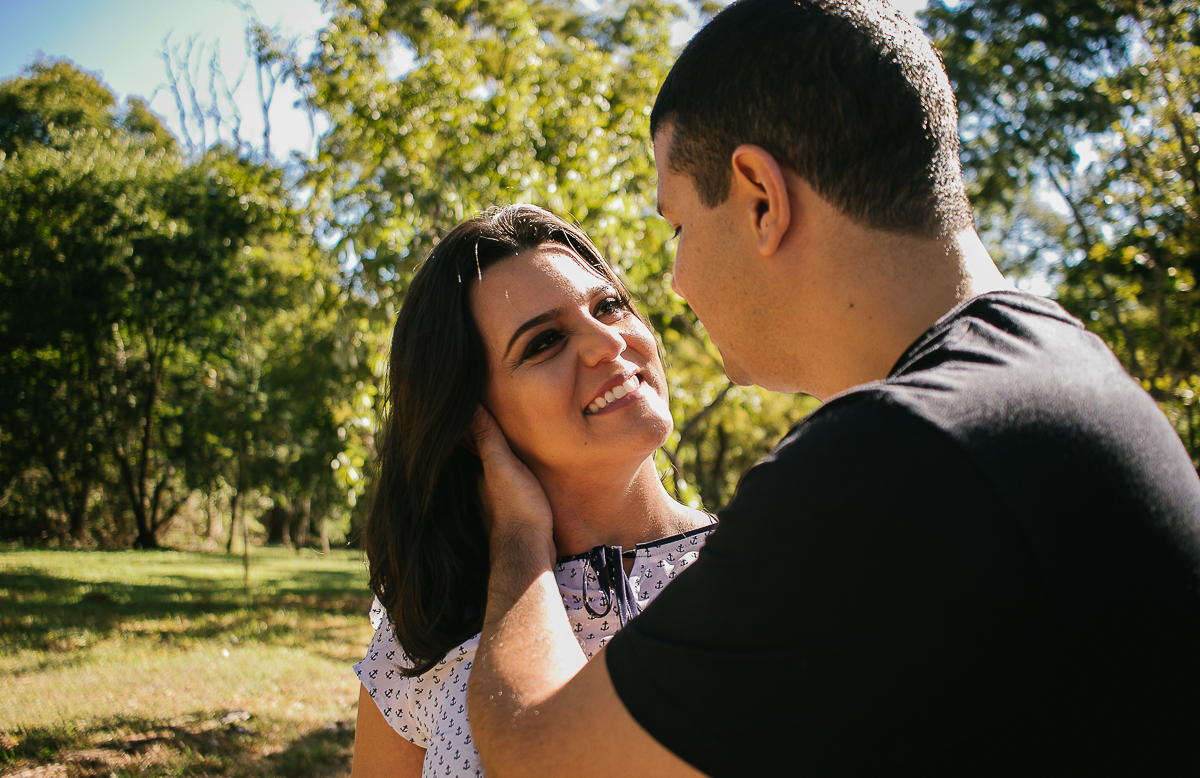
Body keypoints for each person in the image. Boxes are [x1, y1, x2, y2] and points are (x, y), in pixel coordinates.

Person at [465, 0, 1200, 775]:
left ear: (760, 198)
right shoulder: (1054, 371)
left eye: (679, 226)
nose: (675, 282)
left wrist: (517, 530)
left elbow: (537, 751)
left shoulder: (892, 463)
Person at [349, 205, 716, 778]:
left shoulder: (756, 567)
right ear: (474, 421)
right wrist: (520, 540)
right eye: (545, 341)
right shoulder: (429, 631)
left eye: (609, 305)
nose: (607, 343)